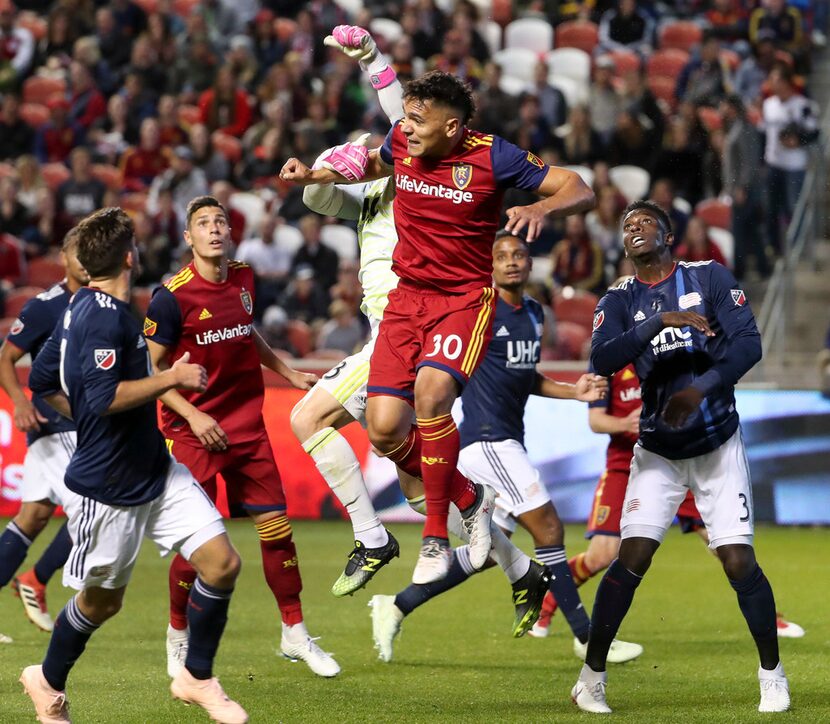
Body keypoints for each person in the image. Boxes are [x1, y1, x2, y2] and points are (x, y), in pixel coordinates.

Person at [281, 36, 595, 584]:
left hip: (462, 301)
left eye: (419, 120)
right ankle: (469, 499)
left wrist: (542, 205)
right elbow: (371, 164)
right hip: (407, 300)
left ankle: (431, 541)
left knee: (431, 396)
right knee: (382, 430)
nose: (407, 127)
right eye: (405, 118)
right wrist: (315, 177)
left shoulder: (492, 154)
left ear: (452, 128)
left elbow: (579, 185)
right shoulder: (402, 140)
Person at [368, 233, 642, 665]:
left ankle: (395, 605)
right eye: (501, 256)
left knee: (484, 557)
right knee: (549, 529)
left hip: (506, 440)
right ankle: (588, 638)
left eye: (518, 254)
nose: (511, 262)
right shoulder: (478, 309)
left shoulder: (533, 313)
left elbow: (524, 376)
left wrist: (573, 392)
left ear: (531, 263)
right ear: (489, 266)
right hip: (486, 439)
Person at [23, 207, 247, 724]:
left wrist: (86, 412)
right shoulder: (104, 317)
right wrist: (172, 379)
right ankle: (46, 682)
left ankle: (196, 677)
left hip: (155, 469)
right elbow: (101, 399)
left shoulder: (80, 308)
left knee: (222, 563)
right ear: (129, 257)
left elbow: (42, 379)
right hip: (109, 486)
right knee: (102, 604)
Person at [571, 200, 789, 714]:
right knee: (633, 557)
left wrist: (704, 387)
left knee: (738, 559)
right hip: (659, 452)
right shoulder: (618, 298)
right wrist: (658, 322)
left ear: (668, 234)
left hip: (717, 445)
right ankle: (590, 678)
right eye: (627, 225)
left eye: (646, 221)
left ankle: (772, 676)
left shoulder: (709, 276)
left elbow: (749, 345)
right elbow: (602, 359)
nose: (635, 228)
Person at [142, 196, 340, 679]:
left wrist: (288, 372)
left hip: (247, 427)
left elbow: (245, 331)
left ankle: (294, 633)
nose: (213, 229)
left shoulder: (244, 278)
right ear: (188, 238)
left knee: (277, 531)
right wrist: (192, 416)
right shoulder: (171, 296)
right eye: (202, 224)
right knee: (201, 545)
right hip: (193, 434)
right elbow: (152, 368)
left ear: (230, 232)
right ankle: (177, 633)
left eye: (220, 221)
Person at [531, 354, 804, 640]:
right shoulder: (608, 360)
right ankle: (546, 605)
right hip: (625, 467)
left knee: (724, 543)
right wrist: (625, 423)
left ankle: (770, 618)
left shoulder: (667, 352)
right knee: (603, 554)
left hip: (676, 461)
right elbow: (596, 421)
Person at [0, 229, 87, 638]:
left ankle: (34, 580)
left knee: (32, 517)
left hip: (82, 422)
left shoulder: (102, 300)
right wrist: (18, 402)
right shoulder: (44, 307)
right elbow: (7, 356)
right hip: (56, 422)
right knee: (93, 508)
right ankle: (36, 579)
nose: (85, 260)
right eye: (77, 253)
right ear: (63, 258)